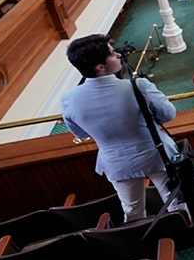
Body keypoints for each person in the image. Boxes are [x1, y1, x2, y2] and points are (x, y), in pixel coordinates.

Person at [60, 34, 179, 224]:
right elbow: (168, 114)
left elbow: (81, 134)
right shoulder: (138, 86)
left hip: (116, 162)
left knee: (132, 210)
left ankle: (143, 243)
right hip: (156, 154)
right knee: (175, 200)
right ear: (100, 67)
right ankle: (187, 233)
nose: (118, 55)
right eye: (112, 54)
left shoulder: (68, 99)